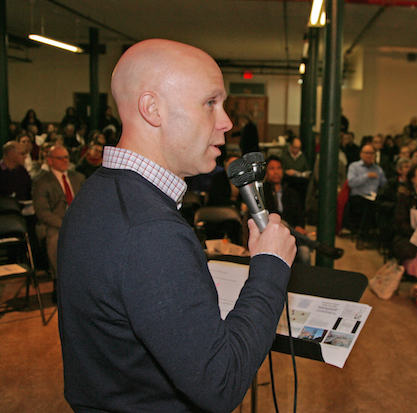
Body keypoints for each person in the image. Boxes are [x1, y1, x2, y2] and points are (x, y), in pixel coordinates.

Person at [57, 39, 296, 413]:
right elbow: (221, 382)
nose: (227, 122)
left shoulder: (100, 190)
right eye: (210, 103)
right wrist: (270, 267)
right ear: (153, 109)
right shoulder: (150, 231)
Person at [33, 145, 85, 280]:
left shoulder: (78, 178)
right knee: (56, 238)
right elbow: (43, 212)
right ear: (49, 161)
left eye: (66, 157)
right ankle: (60, 280)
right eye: (60, 158)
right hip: (54, 224)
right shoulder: (41, 182)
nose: (64, 161)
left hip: (79, 221)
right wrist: (65, 224)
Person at [263, 155, 311, 264]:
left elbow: (300, 214)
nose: (276, 172)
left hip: (293, 238)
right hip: (272, 236)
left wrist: (299, 226)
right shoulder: (262, 194)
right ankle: (314, 244)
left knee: (304, 252)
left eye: (279, 168)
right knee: (281, 222)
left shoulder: (291, 192)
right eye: (272, 168)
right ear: (266, 172)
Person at [346, 143, 387, 243]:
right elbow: (351, 183)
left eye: (372, 153)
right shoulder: (354, 166)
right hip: (358, 197)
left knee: (385, 207)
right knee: (369, 206)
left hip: (374, 198)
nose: (369, 155)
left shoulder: (378, 169)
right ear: (361, 154)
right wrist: (367, 176)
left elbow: (385, 184)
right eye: (367, 153)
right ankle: (362, 238)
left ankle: (383, 240)